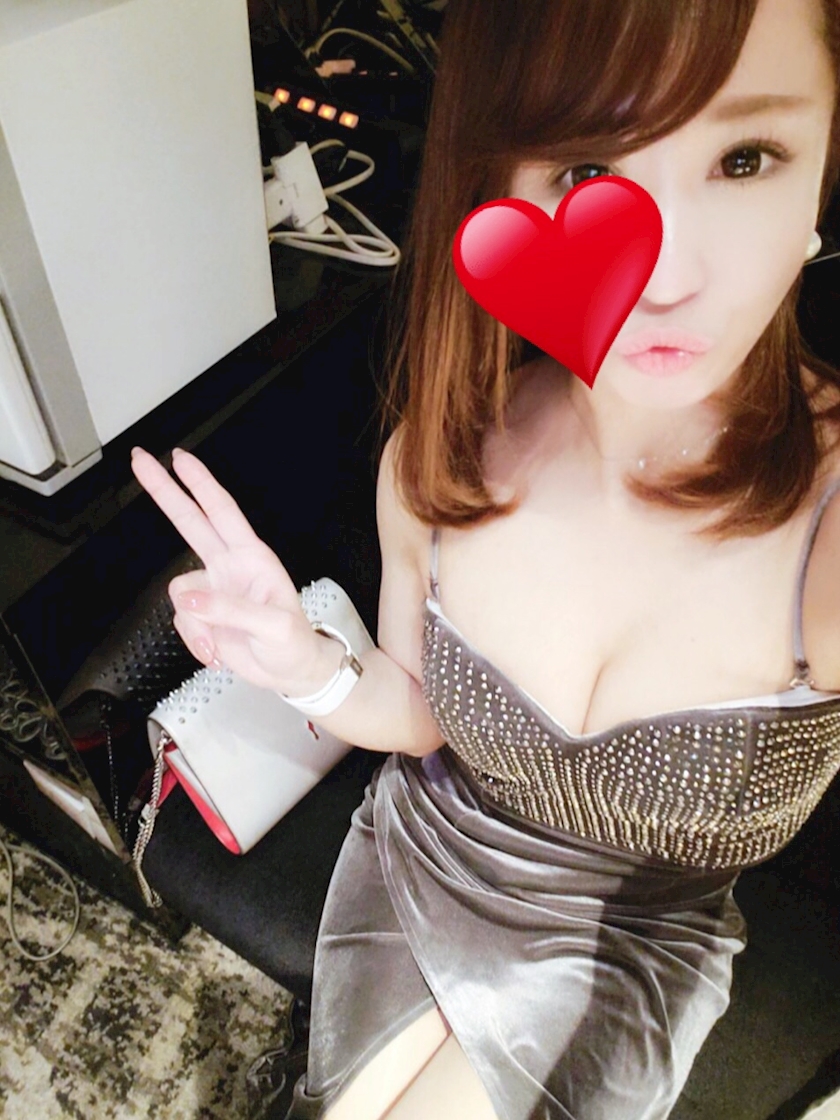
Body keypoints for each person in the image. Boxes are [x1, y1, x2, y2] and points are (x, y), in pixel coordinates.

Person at [130, 0, 840, 1115]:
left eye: (744, 157)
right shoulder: (440, 455)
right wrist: (308, 665)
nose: (664, 275)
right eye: (588, 168)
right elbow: (420, 716)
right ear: (497, 184)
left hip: (628, 938)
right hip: (430, 848)